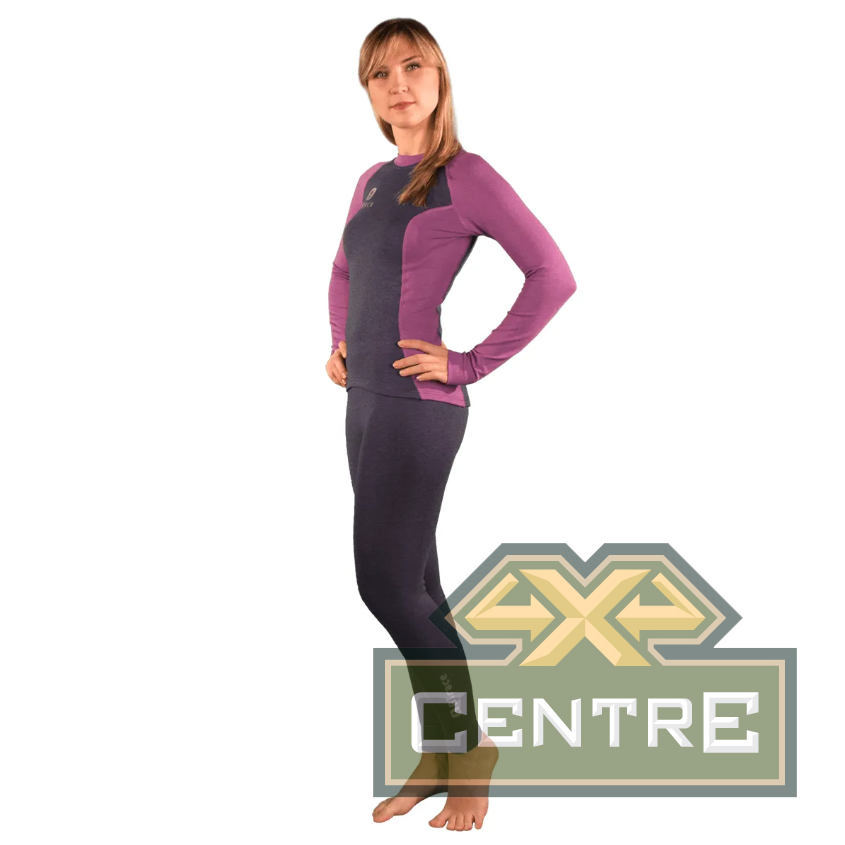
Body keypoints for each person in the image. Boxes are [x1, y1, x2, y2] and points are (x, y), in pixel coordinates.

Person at [325, 18, 577, 832]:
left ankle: (470, 756)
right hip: (365, 401)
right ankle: (443, 749)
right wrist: (338, 342)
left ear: (439, 78)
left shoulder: (465, 175)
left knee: (385, 585)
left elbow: (552, 274)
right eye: (379, 73)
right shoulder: (371, 181)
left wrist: (468, 362)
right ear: (367, 92)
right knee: (419, 587)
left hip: (417, 408)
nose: (397, 84)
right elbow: (344, 270)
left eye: (412, 66)